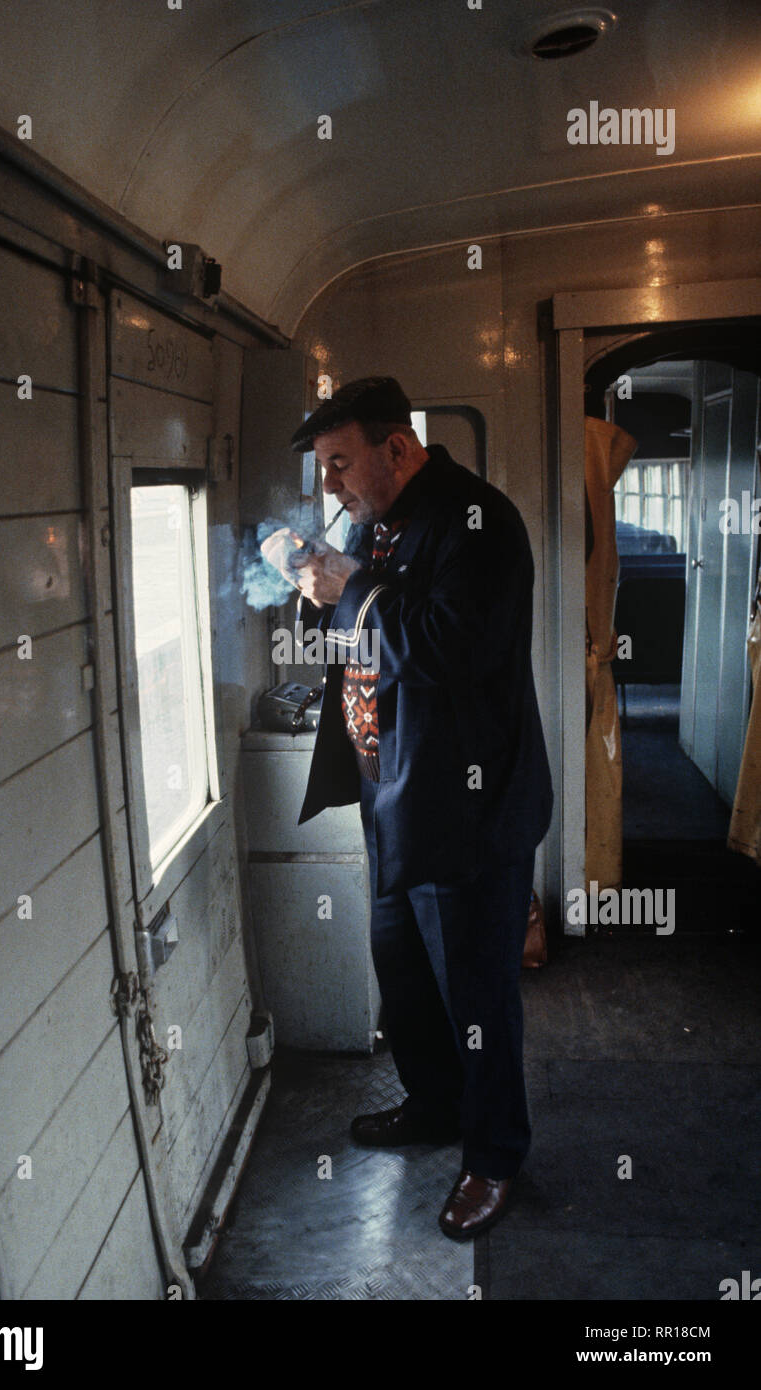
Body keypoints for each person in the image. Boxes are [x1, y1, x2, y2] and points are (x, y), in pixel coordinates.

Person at [261, 376, 553, 1239]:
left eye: (341, 462)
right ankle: (434, 1104)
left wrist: (348, 591)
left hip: (465, 812)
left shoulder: (478, 521)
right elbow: (361, 630)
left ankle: (495, 1154)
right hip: (393, 798)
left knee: (475, 993)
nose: (332, 486)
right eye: (323, 468)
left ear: (397, 448)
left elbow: (450, 647)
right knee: (407, 976)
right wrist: (317, 585)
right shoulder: (376, 523)